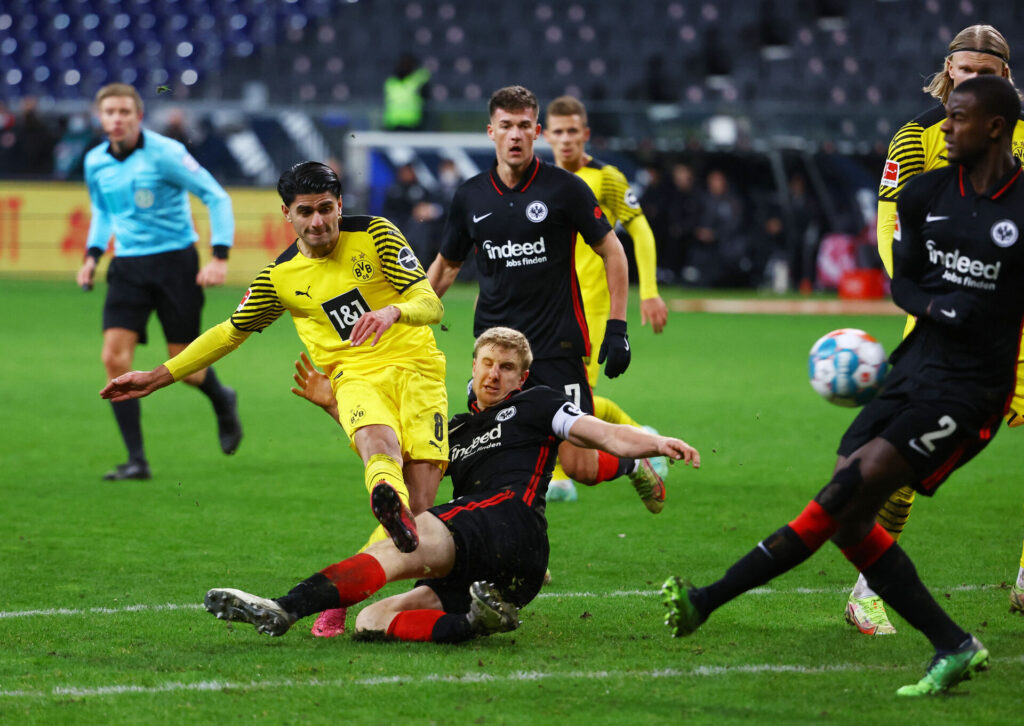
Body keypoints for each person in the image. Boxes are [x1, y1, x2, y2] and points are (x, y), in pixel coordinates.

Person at [663, 76, 1024, 696]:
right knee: (852, 517)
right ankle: (953, 644)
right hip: (913, 368)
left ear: (995, 127)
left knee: (843, 496)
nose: (943, 127)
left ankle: (709, 597)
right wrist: (941, 311)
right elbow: (903, 284)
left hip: (971, 391)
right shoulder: (925, 194)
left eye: (958, 117)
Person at [99, 161, 449, 639]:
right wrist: (159, 376)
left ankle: (344, 590)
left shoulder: (377, 234)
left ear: (340, 205)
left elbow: (432, 303)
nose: (319, 221)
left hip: (420, 373)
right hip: (354, 375)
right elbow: (229, 332)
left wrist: (394, 310)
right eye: (306, 212)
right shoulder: (281, 276)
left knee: (420, 513)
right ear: (287, 213)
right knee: (377, 442)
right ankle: (377, 503)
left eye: (327, 209)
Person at [202, 327, 701, 643]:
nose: (493, 374)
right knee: (372, 621)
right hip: (504, 578)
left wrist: (656, 444)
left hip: (510, 522)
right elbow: (393, 456)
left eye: (506, 368)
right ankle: (473, 623)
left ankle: (284, 608)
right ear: (473, 367)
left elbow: (604, 433)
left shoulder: (538, 403)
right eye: (486, 363)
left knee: (410, 534)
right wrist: (336, 407)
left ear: (521, 378)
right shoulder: (453, 429)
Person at [854, 23, 1024, 635]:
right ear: (947, 71)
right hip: (944, 321)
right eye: (963, 69)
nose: (971, 79)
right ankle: (866, 588)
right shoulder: (916, 137)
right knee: (907, 457)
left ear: (1004, 77)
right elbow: (888, 228)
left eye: (985, 71)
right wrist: (923, 293)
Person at [427, 86, 666, 508]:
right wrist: (406, 318)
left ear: (537, 132)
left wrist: (618, 327)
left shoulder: (565, 189)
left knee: (580, 468)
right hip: (495, 351)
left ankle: (633, 465)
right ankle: (506, 553)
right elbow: (446, 267)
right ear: (491, 132)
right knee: (490, 457)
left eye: (523, 126)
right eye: (506, 126)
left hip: (556, 347)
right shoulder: (470, 196)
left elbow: (613, 251)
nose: (515, 135)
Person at [76, 83, 242, 481]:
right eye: (110, 113)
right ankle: (137, 460)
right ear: (100, 118)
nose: (116, 119)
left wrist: (219, 257)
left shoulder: (166, 154)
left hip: (175, 265)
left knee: (184, 364)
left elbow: (216, 197)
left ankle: (222, 399)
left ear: (139, 116)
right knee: (113, 358)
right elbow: (102, 211)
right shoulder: (95, 161)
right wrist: (91, 256)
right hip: (128, 267)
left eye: (124, 112)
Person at [541, 95, 670, 508]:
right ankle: (639, 438)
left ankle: (570, 470)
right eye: (557, 132)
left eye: (572, 132)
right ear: (546, 135)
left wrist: (648, 290)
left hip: (593, 309)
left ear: (586, 134)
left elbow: (641, 229)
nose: (565, 140)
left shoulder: (607, 178)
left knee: (573, 397)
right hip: (548, 307)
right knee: (554, 394)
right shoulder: (538, 181)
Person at [382, 54, 430, 131]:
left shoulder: (419, 81)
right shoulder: (390, 82)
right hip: (392, 125)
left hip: (413, 125)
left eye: (407, 64)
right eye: (403, 64)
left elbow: (427, 101)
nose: (404, 67)